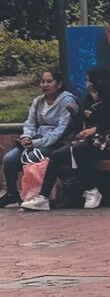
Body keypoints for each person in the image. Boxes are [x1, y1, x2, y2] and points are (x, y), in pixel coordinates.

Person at [21, 67, 110, 211]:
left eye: (89, 80)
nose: (87, 83)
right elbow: (83, 122)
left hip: (109, 142)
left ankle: (91, 190)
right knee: (57, 155)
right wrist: (75, 115)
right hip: (89, 140)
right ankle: (43, 197)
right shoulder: (89, 98)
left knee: (78, 151)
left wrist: (95, 129)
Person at [0, 70, 79, 208]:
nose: (45, 85)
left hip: (56, 143)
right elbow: (30, 123)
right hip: (34, 141)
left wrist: (35, 143)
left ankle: (38, 196)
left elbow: (60, 131)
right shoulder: (38, 101)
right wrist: (27, 137)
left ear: (59, 84)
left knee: (32, 157)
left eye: (49, 81)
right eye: (43, 81)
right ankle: (12, 194)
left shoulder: (67, 101)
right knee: (9, 159)